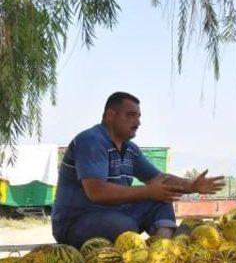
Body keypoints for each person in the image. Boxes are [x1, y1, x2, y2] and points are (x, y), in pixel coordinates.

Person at [52, 92, 225, 248]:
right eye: (131, 115)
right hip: (75, 222)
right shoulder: (91, 141)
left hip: (112, 213)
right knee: (125, 227)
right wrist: (148, 192)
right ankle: (151, 248)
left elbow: (158, 179)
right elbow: (97, 192)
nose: (138, 122)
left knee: (162, 199)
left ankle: (163, 249)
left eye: (139, 116)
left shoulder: (130, 150)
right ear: (111, 115)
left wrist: (191, 186)